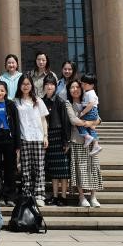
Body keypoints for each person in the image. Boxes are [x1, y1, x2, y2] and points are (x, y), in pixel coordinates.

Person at [66, 79, 103, 207]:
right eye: (72, 87)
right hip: (77, 140)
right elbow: (73, 120)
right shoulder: (68, 103)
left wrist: (91, 122)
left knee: (93, 168)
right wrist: (89, 123)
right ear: (69, 90)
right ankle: (81, 197)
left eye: (77, 87)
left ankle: (93, 197)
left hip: (92, 142)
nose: (75, 89)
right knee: (80, 169)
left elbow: (99, 119)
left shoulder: (86, 100)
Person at [14, 73, 49, 207]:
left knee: (39, 167)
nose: (25, 86)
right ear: (19, 85)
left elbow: (43, 119)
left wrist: (45, 136)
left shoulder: (38, 100)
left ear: (31, 85)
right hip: (24, 138)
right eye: (23, 84)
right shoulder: (16, 101)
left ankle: (39, 195)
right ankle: (27, 193)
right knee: (26, 168)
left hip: (38, 137)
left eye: (28, 84)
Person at [0, 80, 20, 206]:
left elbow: (16, 124)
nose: (0, 92)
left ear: (6, 92)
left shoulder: (10, 104)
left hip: (9, 138)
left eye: (2, 90)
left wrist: (18, 144)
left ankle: (10, 196)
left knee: (10, 168)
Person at [42, 74, 70, 206]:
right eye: (47, 84)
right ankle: (54, 195)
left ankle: (63, 196)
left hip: (59, 136)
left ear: (55, 86)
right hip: (48, 137)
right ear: (44, 86)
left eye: (52, 84)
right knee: (53, 169)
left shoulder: (60, 101)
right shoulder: (41, 101)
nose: (49, 86)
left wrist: (66, 141)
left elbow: (65, 122)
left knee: (63, 169)